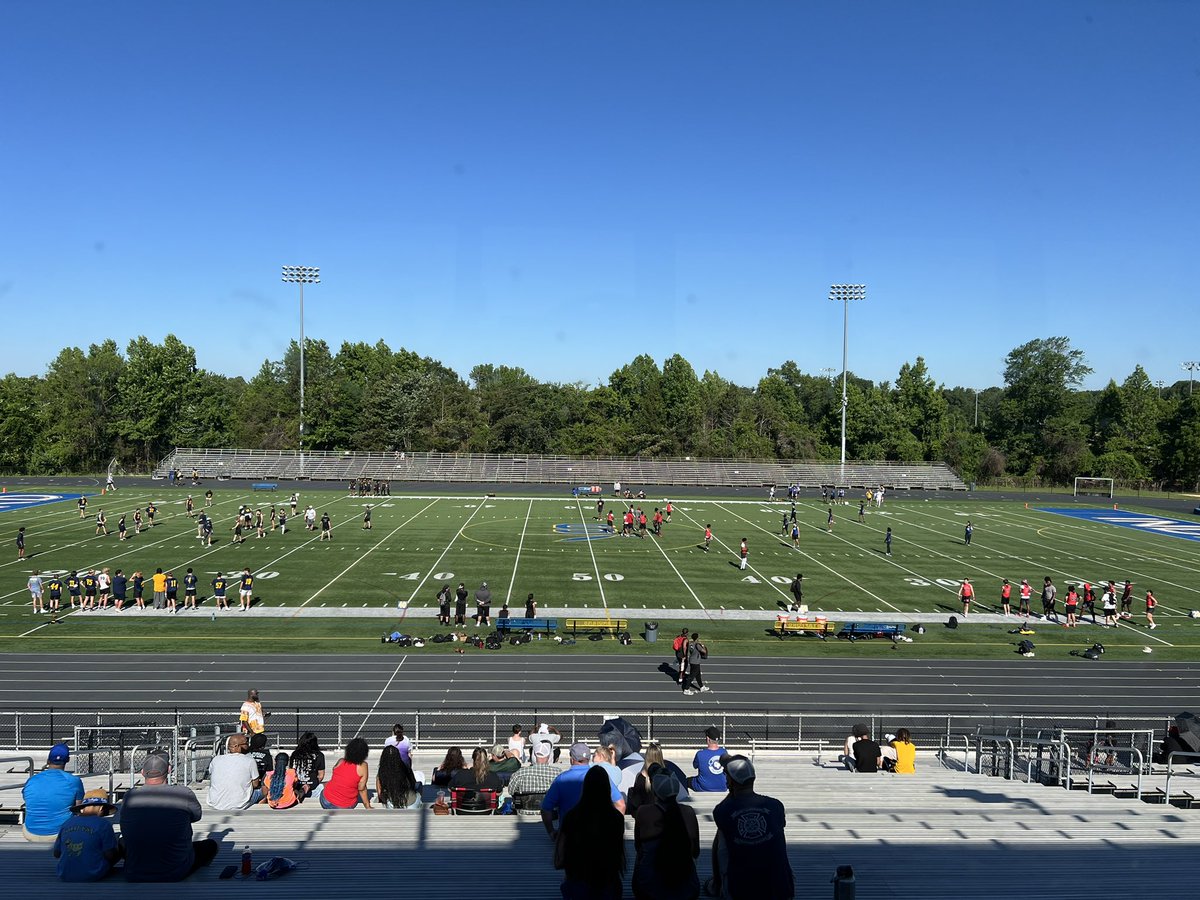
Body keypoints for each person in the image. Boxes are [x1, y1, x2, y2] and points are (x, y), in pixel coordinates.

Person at [706, 755, 794, 899]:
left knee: (723, 834)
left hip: (741, 890)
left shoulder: (722, 810)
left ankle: (717, 884)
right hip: (781, 888)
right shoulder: (776, 805)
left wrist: (731, 790)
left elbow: (726, 812)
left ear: (730, 781)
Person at [120, 754, 218, 881]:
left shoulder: (129, 796)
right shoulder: (184, 793)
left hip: (134, 872)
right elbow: (196, 816)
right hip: (175, 872)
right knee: (211, 845)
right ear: (169, 770)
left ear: (142, 772)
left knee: (121, 842)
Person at [554, 766, 626, 900]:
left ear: (585, 787)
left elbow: (559, 860)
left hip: (578, 882)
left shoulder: (572, 816)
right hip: (608, 882)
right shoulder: (616, 818)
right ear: (607, 788)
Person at [633, 772, 700, 900]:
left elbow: (638, 846)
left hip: (648, 890)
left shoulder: (643, 811)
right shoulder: (688, 811)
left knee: (642, 852)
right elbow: (695, 852)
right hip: (686, 891)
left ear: (655, 792)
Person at [541, 742, 625, 836]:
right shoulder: (601, 776)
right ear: (589, 759)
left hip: (569, 837)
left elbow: (545, 809)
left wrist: (551, 832)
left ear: (572, 760)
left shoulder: (561, 780)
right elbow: (621, 805)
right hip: (597, 835)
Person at [53, 788, 121, 881]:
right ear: (101, 808)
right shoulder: (103, 824)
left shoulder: (68, 823)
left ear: (82, 808)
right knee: (121, 844)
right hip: (93, 874)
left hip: (65, 874)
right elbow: (109, 855)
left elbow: (56, 853)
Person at [22, 743, 83, 842]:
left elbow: (27, 799)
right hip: (59, 833)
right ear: (67, 760)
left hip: (30, 832)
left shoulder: (32, 780)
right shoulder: (74, 781)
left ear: (48, 760)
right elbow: (78, 809)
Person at [207, 734, 262, 809]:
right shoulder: (250, 761)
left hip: (214, 803)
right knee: (264, 790)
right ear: (237, 746)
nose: (248, 746)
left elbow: (211, 773)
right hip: (239, 804)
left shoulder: (216, 759)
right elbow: (255, 784)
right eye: (246, 744)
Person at [508, 740, 561, 811]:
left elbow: (511, 791)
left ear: (535, 755)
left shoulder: (520, 773)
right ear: (548, 756)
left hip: (524, 812)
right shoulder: (558, 774)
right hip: (551, 814)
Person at [321, 737, 372, 809]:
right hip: (344, 805)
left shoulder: (341, 761)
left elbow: (335, 771)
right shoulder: (363, 766)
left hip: (325, 800)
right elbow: (361, 788)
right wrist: (367, 805)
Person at [375, 744, 421, 809]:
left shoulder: (381, 771)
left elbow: (379, 792)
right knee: (419, 785)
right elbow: (413, 783)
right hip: (411, 803)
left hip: (392, 804)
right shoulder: (405, 767)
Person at [289, 732, 326, 800]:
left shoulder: (294, 754)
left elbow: (291, 772)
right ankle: (305, 790)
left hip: (296, 786)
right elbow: (321, 776)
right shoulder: (319, 755)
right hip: (313, 788)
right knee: (327, 785)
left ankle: (301, 791)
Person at [690, 726, 727, 792]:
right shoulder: (724, 752)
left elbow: (695, 766)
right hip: (722, 787)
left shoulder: (700, 754)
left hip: (703, 787)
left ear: (708, 739)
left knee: (686, 780)